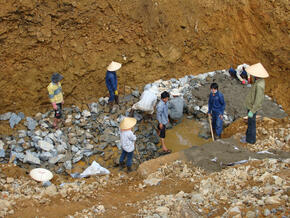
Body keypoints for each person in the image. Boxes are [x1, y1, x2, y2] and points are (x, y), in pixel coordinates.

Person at [240, 63, 269, 144]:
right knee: (250, 122)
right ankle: (247, 136)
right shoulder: (258, 81)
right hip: (250, 105)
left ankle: (251, 140)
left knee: (251, 124)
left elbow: (258, 100)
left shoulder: (259, 85)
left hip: (253, 107)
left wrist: (252, 111)